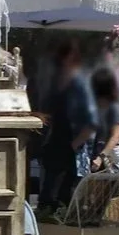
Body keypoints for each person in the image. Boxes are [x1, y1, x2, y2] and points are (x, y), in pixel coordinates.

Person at [37, 43, 95, 209]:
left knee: (65, 201)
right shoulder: (55, 87)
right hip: (53, 149)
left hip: (71, 153)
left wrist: (73, 145)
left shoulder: (80, 86)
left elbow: (92, 121)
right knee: (48, 199)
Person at [88, 67, 119, 178]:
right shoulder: (97, 107)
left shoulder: (114, 108)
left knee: (112, 189)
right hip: (98, 151)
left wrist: (101, 157)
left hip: (109, 156)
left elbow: (116, 136)